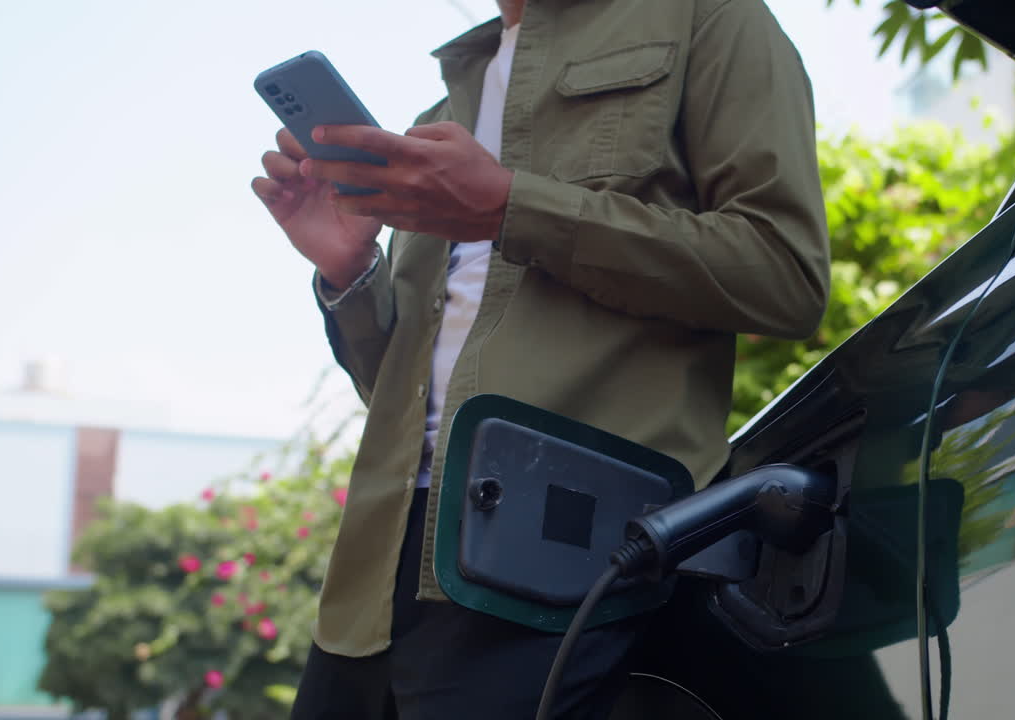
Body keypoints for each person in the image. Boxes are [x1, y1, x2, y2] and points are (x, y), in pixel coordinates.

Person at [251, 0, 829, 717]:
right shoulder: (446, 106)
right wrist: (349, 274)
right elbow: (405, 400)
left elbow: (784, 276)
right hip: (373, 589)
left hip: (553, 564)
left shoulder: (705, 16)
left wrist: (509, 208)